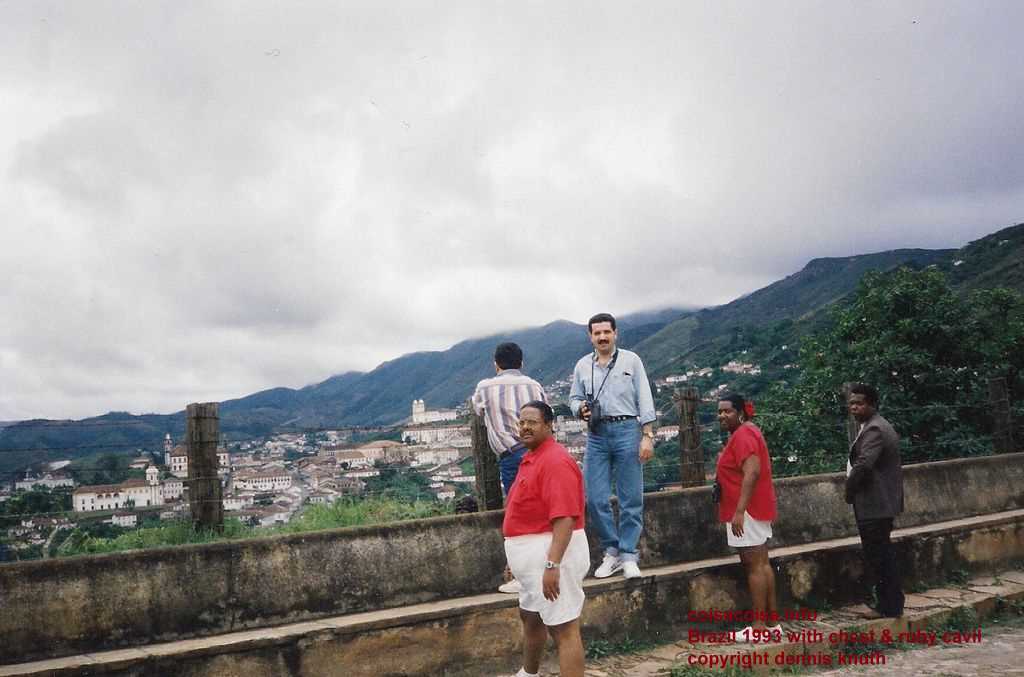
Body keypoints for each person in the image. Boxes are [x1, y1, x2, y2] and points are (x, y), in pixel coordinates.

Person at [504, 400, 588, 677]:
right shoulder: (532, 457)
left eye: (532, 422)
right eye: (522, 422)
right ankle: (528, 673)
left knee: (564, 628)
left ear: (549, 425)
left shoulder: (555, 460)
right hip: (532, 558)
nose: (525, 427)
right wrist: (514, 561)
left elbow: (565, 517)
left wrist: (552, 565)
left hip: (551, 556)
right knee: (531, 618)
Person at [569, 312, 656, 579]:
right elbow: (573, 397)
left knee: (631, 497)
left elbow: (644, 395)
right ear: (590, 336)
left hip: (628, 428)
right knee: (595, 498)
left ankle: (629, 554)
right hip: (597, 434)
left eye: (607, 332)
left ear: (615, 333)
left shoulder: (632, 360)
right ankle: (612, 551)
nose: (602, 337)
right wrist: (578, 409)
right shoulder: (583, 365)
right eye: (597, 333)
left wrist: (647, 435)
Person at [472, 342, 547, 594]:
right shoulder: (534, 385)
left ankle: (520, 575)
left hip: (511, 456)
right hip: (538, 452)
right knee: (542, 510)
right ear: (521, 363)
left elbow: (478, 411)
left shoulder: (485, 387)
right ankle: (544, 568)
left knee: (517, 515)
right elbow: (545, 413)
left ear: (496, 364)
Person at [715, 393, 780, 643]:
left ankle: (759, 625)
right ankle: (771, 623)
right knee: (762, 564)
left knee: (754, 565)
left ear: (741, 412)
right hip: (754, 507)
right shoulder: (747, 432)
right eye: (720, 411)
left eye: (727, 411)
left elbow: (751, 472)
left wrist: (740, 511)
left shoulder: (743, 435)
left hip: (746, 510)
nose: (722, 415)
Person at [845, 383, 904, 618]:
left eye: (859, 403)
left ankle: (888, 608)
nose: (854, 408)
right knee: (882, 555)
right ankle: (890, 604)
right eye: (851, 403)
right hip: (879, 503)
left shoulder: (875, 429)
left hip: (875, 504)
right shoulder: (872, 426)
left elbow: (863, 465)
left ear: (872, 404)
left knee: (880, 557)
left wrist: (849, 490)